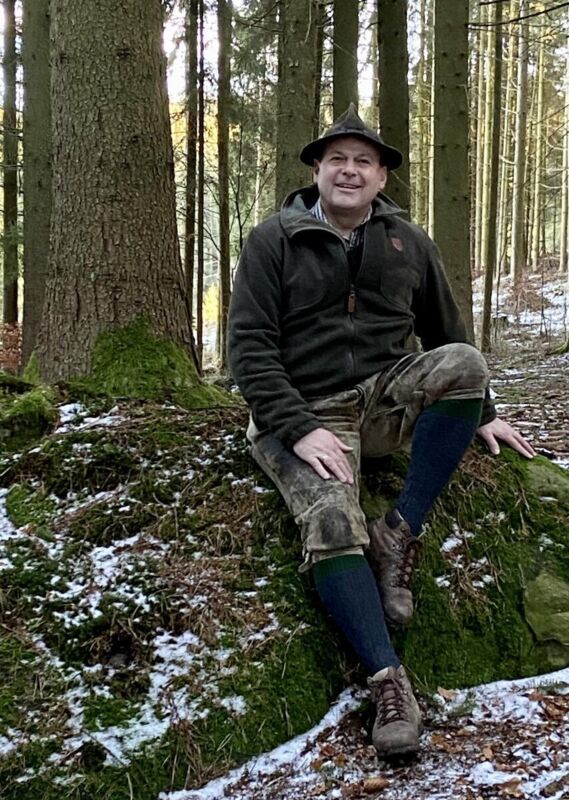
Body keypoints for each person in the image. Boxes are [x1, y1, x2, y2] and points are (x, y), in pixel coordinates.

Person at [227, 104, 535, 759]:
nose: (349, 171)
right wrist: (299, 427)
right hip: (303, 410)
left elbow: (447, 331)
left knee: (465, 364)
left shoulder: (407, 241)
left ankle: (398, 533)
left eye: (362, 162)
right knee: (332, 522)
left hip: (382, 399)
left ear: (381, 176)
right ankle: (388, 682)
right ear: (316, 169)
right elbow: (249, 348)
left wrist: (484, 412)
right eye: (337, 159)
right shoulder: (273, 239)